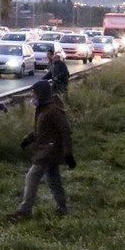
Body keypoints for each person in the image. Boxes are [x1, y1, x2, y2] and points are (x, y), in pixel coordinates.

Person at [10, 79, 75, 221]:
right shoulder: (44, 109)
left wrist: (68, 153)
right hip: (47, 150)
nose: (33, 97)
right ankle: (62, 208)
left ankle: (25, 211)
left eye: (34, 94)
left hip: (48, 152)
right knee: (54, 181)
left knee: (31, 177)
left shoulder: (53, 111)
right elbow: (42, 131)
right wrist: (28, 139)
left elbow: (65, 131)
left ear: (42, 94)